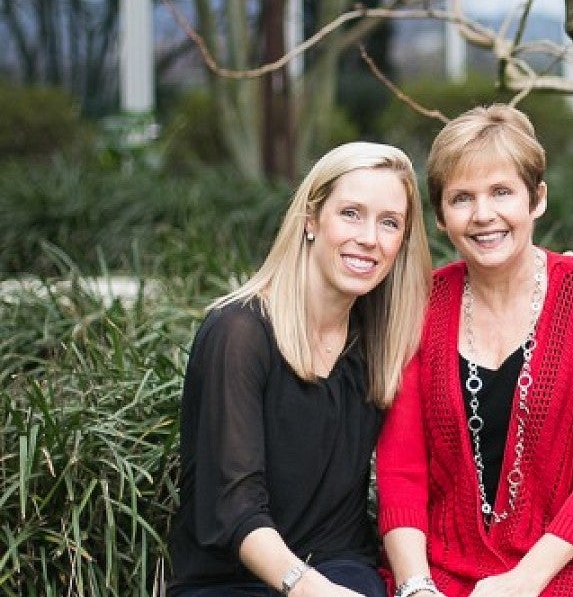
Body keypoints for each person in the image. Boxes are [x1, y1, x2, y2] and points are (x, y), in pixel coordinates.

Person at [376, 105, 573, 597]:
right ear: (440, 217)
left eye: (501, 192)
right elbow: (402, 468)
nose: (483, 215)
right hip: (444, 561)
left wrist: (523, 581)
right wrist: (415, 585)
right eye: (462, 198)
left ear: (536, 198)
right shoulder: (420, 304)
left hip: (572, 555)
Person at [167, 142, 432, 597]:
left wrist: (545, 281)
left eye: (389, 223)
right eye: (351, 213)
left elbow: (477, 320)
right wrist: (311, 590)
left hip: (343, 570)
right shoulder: (239, 333)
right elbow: (234, 512)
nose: (369, 238)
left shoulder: (381, 341)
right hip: (234, 580)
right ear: (311, 219)